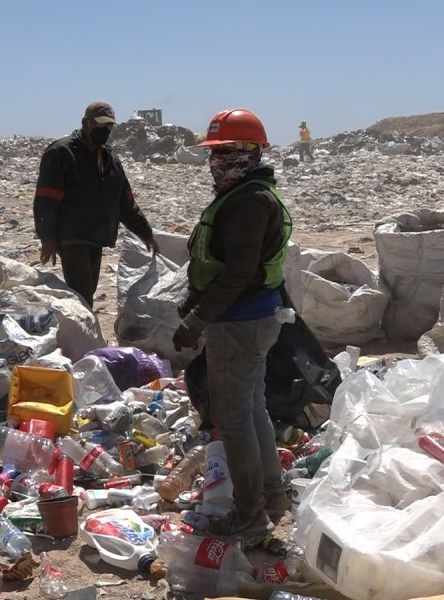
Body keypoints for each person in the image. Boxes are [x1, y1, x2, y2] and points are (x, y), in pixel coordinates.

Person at [173, 108, 293, 542]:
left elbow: (239, 271)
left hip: (239, 323)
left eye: (226, 153)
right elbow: (222, 264)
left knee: (234, 419)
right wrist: (196, 298)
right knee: (251, 410)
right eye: (214, 153)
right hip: (254, 317)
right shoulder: (247, 193)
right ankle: (273, 496)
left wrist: (197, 319)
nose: (216, 162)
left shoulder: (248, 201)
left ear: (250, 153)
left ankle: (249, 517)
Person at [33, 101, 159, 307]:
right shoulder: (62, 153)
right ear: (86, 123)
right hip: (73, 236)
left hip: (97, 236)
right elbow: (46, 199)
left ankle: (84, 329)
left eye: (109, 126)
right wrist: (48, 237)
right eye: (101, 125)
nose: (105, 130)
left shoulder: (109, 158)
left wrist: (145, 232)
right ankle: (84, 334)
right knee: (82, 290)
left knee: (87, 289)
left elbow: (125, 202)